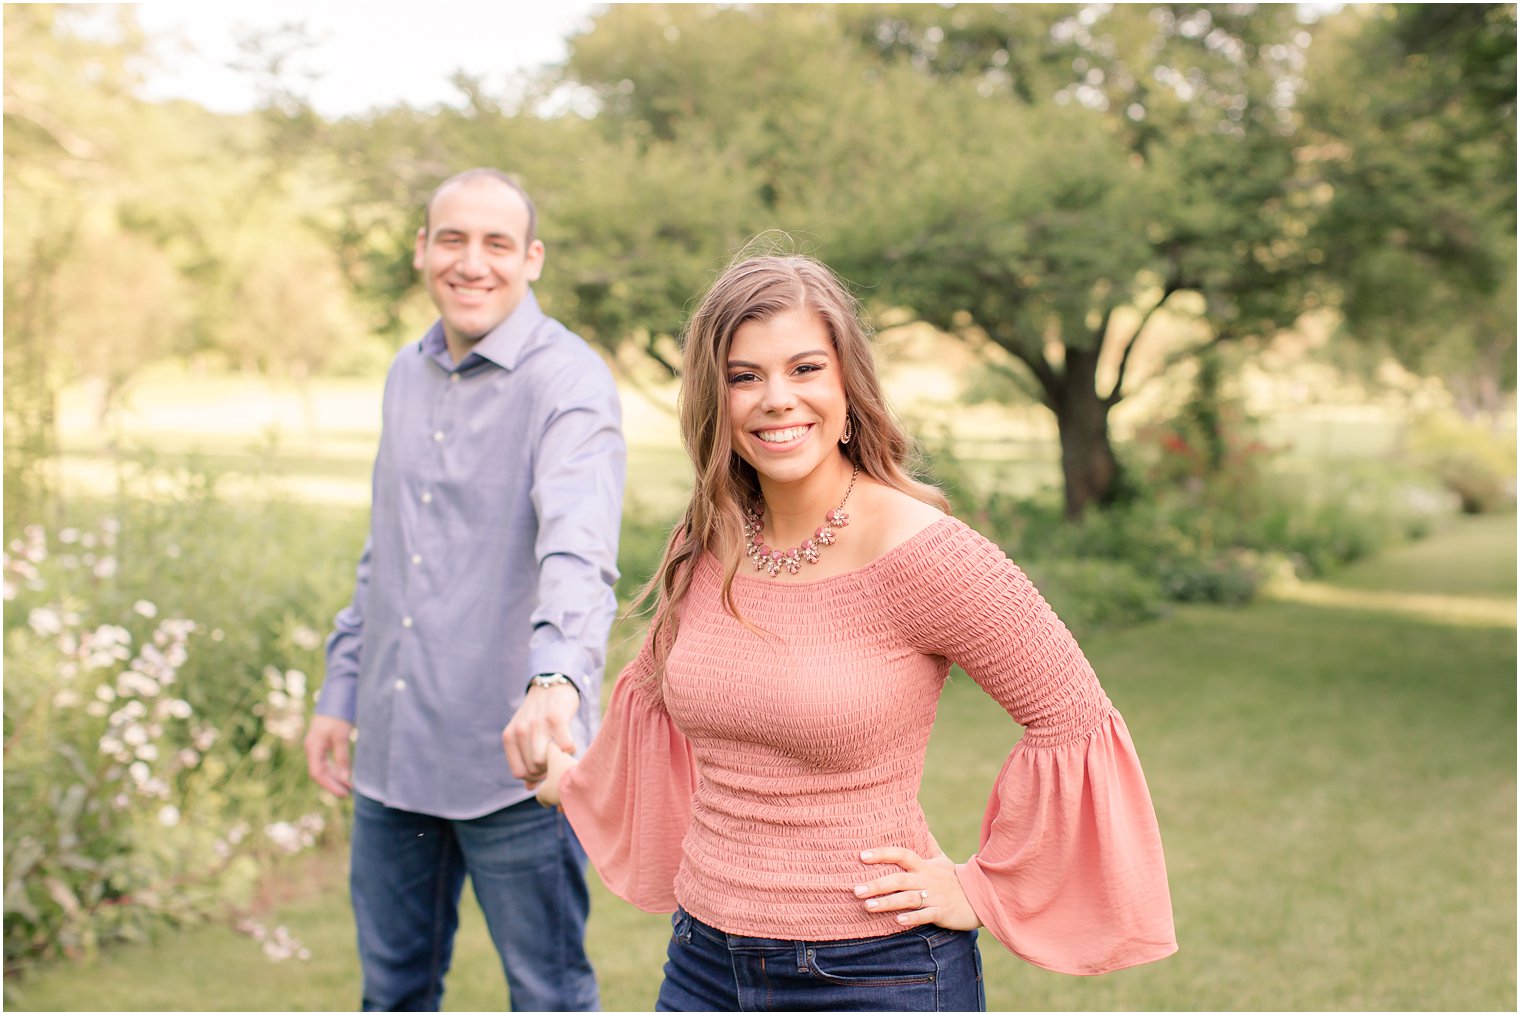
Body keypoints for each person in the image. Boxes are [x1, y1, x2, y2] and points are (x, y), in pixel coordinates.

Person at [505, 250, 1177, 1012]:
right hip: (703, 966)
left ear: (847, 385)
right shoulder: (708, 538)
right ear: (714, 398)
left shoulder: (924, 550)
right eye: (744, 375)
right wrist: (558, 779)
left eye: (804, 369)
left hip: (876, 971)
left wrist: (979, 888)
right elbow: (662, 714)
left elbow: (1075, 716)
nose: (776, 399)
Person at [306, 167, 625, 1012]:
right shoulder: (403, 375)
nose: (472, 262)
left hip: (515, 767)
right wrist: (342, 687)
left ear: (532, 258)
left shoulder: (570, 382)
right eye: (453, 238)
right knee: (393, 995)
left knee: (549, 995)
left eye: (496, 243)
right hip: (393, 755)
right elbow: (389, 554)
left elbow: (578, 552)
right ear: (422, 251)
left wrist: (555, 682)